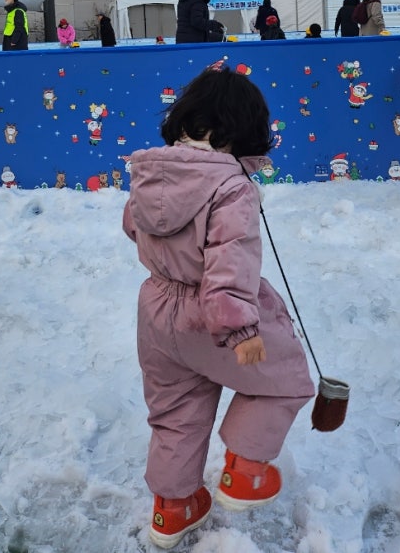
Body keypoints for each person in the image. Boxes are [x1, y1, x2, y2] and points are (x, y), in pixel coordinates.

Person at [123, 67, 314, 549]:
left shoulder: (150, 173)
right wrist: (240, 330)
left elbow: (133, 226)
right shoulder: (231, 187)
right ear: (241, 130)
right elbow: (230, 261)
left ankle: (173, 508)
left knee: (175, 412)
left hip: (157, 312)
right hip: (212, 312)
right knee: (283, 379)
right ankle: (245, 472)